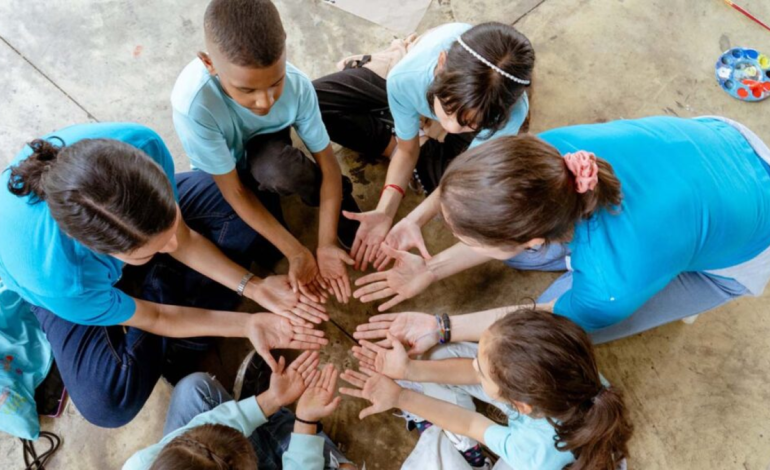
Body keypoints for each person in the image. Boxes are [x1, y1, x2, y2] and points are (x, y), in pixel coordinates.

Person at [0, 122, 328, 428]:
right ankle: (153, 292)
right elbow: (154, 316)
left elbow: (182, 238)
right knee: (107, 402)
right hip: (62, 288)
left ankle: (161, 284)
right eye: (151, 250)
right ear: (107, 254)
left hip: (126, 229)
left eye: (168, 226)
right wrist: (247, 323)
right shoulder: (63, 281)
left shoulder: (142, 144)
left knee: (248, 206)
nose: (173, 244)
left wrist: (253, 287)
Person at [353, 116, 770, 343]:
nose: (454, 241)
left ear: (537, 237)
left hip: (749, 243)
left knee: (550, 335)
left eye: (466, 239)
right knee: (531, 265)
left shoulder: (614, 280)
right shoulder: (547, 158)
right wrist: (431, 268)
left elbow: (552, 317)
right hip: (723, 144)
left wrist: (442, 327)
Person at [171, 0, 359, 304]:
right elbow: (234, 191)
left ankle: (339, 207)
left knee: (281, 170)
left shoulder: (297, 87)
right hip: (221, 171)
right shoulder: (194, 105)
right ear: (209, 63)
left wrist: (325, 242)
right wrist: (296, 251)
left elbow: (328, 164)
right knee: (265, 252)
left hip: (267, 148)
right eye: (247, 90)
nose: (265, 101)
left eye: (276, 81)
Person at [314, 22, 535, 271]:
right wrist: (385, 209)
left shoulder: (510, 115)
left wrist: (413, 220)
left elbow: (462, 178)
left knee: (464, 201)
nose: (450, 127)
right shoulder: (408, 76)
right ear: (441, 64)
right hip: (411, 80)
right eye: (448, 108)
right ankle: (400, 135)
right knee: (314, 105)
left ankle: (412, 129)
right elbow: (408, 151)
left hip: (433, 102)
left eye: (470, 124)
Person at [344, 309, 632, 470]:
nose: (473, 366)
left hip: (534, 461)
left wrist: (401, 396)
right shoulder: (575, 370)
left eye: (480, 371)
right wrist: (408, 371)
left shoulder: (529, 453)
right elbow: (475, 372)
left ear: (520, 404)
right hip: (547, 436)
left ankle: (472, 458)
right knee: (443, 354)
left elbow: (470, 422)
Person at [124, 351, 357, 470]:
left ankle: (273, 420)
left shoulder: (141, 465)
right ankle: (288, 431)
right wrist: (306, 422)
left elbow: (200, 431)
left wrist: (271, 399)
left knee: (193, 390)